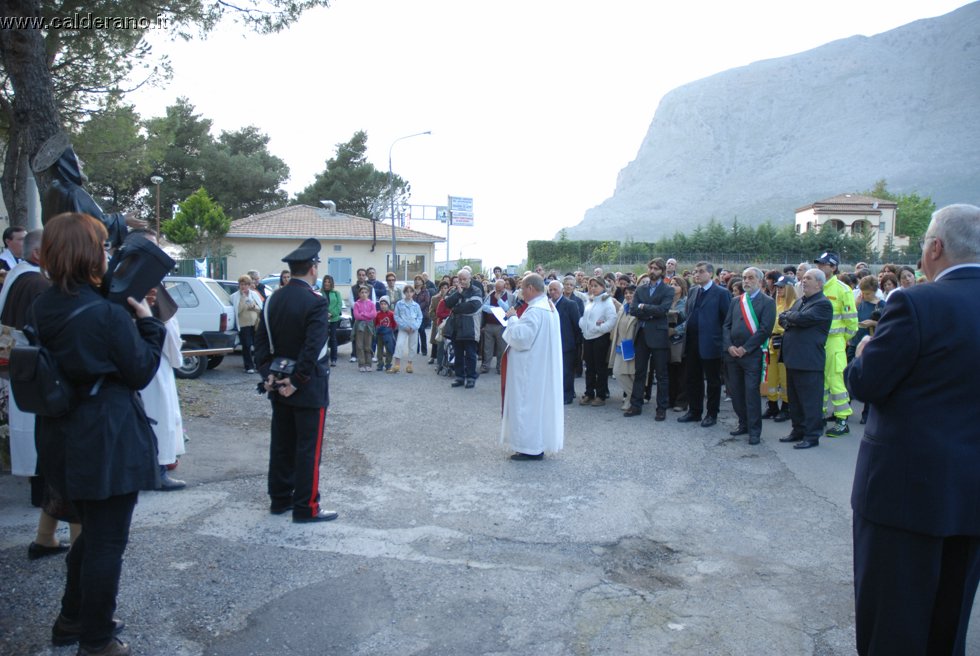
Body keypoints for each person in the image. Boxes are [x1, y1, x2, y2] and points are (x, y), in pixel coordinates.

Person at [848, 204, 980, 656]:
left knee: (894, 625)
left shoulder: (917, 302)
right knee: (949, 625)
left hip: (905, 496)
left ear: (936, 248)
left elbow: (867, 384)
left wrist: (864, 351)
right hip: (972, 498)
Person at [34, 212, 166, 656]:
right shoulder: (107, 313)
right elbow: (141, 370)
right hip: (105, 436)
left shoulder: (44, 303)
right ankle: (96, 639)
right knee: (106, 542)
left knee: (91, 535)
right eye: (103, 246)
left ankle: (72, 619)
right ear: (92, 252)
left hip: (60, 433)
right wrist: (148, 320)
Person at [0, 228, 80, 559]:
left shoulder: (21, 277)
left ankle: (45, 536)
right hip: (47, 383)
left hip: (27, 377)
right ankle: (79, 545)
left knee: (53, 465)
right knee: (66, 469)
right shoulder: (38, 284)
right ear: (39, 256)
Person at [253, 238, 338, 524]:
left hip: (277, 382)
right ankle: (306, 507)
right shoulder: (315, 302)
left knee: (282, 443)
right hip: (307, 386)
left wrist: (268, 375)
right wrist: (298, 380)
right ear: (313, 268)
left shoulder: (272, 299)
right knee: (307, 449)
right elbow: (313, 348)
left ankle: (279, 499)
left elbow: (261, 343)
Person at [500, 273, 563, 460]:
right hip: (541, 366)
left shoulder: (536, 311)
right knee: (538, 407)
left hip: (530, 370)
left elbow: (521, 338)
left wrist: (512, 318)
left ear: (530, 288)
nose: (520, 293)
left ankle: (529, 448)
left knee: (527, 405)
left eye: (522, 288)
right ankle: (537, 444)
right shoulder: (549, 307)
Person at [776, 269, 832, 449]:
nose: (804, 281)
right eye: (804, 278)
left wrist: (791, 318)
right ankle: (798, 430)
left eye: (809, 278)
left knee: (810, 401)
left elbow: (802, 318)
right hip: (793, 358)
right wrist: (792, 318)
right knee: (795, 399)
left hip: (809, 361)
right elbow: (782, 319)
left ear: (819, 284)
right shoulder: (800, 301)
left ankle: (811, 435)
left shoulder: (823, 304)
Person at [722, 267, 776, 445]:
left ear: (759, 281)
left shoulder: (767, 302)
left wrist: (745, 348)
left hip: (751, 355)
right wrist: (729, 346)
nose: (746, 281)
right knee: (736, 392)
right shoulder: (736, 300)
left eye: (750, 278)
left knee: (751, 394)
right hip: (733, 355)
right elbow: (726, 326)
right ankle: (743, 423)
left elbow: (765, 330)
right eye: (744, 278)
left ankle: (754, 431)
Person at [141, 284, 187, 491]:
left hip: (138, 368)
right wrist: (177, 361)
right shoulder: (159, 310)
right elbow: (171, 339)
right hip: (157, 368)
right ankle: (158, 471)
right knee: (160, 420)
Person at [678, 262, 731, 428]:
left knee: (713, 381)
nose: (697, 274)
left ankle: (711, 413)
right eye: (695, 272)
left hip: (711, 343)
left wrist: (723, 343)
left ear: (710, 274)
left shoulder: (721, 293)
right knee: (693, 378)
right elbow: (688, 314)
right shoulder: (693, 291)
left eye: (700, 272)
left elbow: (727, 321)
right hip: (692, 342)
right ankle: (694, 411)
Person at [812, 251, 858, 438]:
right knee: (820, 382)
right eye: (818, 264)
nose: (820, 267)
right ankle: (820, 415)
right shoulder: (816, 287)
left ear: (833, 267)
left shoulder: (842, 289)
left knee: (836, 381)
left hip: (834, 343)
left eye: (824, 265)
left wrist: (841, 340)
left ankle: (842, 420)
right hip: (818, 342)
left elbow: (852, 323)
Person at [624, 258, 673, 420]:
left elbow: (663, 310)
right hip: (642, 335)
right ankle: (636, 405)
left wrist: (644, 307)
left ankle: (661, 408)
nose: (653, 271)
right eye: (651, 268)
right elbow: (633, 310)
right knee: (640, 372)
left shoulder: (668, 290)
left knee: (661, 374)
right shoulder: (640, 289)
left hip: (658, 335)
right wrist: (649, 310)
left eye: (657, 269)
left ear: (662, 271)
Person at [578, 277, 617, 406]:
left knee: (600, 367)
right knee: (589, 367)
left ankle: (601, 395)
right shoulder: (590, 301)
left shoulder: (607, 301)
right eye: (591, 286)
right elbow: (585, 317)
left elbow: (612, 320)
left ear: (602, 287)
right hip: (588, 337)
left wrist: (599, 328)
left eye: (596, 286)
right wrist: (583, 325)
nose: (593, 288)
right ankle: (589, 392)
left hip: (600, 338)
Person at [764, 276, 797, 422]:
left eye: (782, 287)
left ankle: (786, 407)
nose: (779, 289)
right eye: (778, 287)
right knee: (771, 377)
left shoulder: (795, 303)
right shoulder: (774, 302)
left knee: (784, 378)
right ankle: (772, 405)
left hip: (786, 343)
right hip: (772, 342)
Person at [444, 268, 484, 389]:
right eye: (460, 279)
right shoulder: (455, 290)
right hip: (456, 327)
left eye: (464, 279)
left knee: (471, 355)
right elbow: (447, 304)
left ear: (469, 279)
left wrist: (456, 308)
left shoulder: (476, 290)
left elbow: (473, 307)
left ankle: (471, 378)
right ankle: (460, 377)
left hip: (470, 328)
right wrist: (458, 293)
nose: (461, 281)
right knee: (458, 354)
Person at [548, 280, 582, 404]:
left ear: (562, 290)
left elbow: (576, 324)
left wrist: (576, 343)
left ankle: (567, 395)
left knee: (567, 371)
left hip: (567, 344)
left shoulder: (570, 304)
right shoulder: (547, 304)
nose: (552, 292)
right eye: (550, 290)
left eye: (555, 289)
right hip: (551, 343)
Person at [609, 284, 639, 411]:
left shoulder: (639, 308)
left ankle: (631, 399)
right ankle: (634, 396)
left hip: (633, 345)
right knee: (617, 372)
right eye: (626, 293)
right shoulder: (623, 308)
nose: (628, 295)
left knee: (631, 374)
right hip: (620, 345)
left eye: (631, 293)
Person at [229, 274, 263, 373]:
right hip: (243, 324)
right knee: (247, 345)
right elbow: (237, 311)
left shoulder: (254, 294)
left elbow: (260, 308)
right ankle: (249, 366)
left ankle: (258, 364)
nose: (243, 286)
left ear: (249, 285)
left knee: (257, 345)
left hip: (255, 323)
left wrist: (254, 307)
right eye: (241, 284)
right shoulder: (235, 296)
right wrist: (243, 299)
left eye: (246, 284)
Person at [480, 279, 510, 374]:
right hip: (489, 325)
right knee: (487, 348)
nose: (497, 291)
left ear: (504, 287)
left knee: (502, 348)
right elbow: (484, 307)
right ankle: (485, 366)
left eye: (500, 289)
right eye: (496, 289)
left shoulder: (509, 296)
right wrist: (495, 309)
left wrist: (499, 300)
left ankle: (500, 367)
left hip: (502, 326)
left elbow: (508, 309)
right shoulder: (491, 294)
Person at [392, 285, 422, 374]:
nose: (409, 294)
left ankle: (409, 364)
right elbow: (396, 316)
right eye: (407, 292)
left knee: (412, 346)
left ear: (413, 293)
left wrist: (415, 326)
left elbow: (420, 317)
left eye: (411, 292)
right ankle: (397, 364)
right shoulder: (399, 304)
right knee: (399, 344)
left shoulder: (416, 305)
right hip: (403, 328)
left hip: (413, 328)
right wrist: (404, 326)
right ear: (404, 293)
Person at [352, 286, 377, 372]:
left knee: (368, 346)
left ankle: (368, 364)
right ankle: (361, 364)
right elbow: (356, 315)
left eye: (365, 292)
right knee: (359, 345)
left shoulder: (371, 304)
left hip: (369, 326)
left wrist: (363, 314)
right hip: (360, 327)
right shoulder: (357, 304)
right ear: (359, 294)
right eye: (362, 292)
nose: (363, 294)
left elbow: (373, 314)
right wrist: (366, 315)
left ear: (368, 293)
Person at [320, 274, 343, 366]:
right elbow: (318, 306)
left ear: (331, 283)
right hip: (323, 319)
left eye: (328, 281)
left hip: (334, 319)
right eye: (325, 281)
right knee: (322, 339)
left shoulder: (336, 293)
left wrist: (332, 314)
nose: (327, 283)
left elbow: (339, 305)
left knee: (333, 338)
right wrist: (325, 314)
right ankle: (322, 358)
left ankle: (334, 359)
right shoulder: (320, 293)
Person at [373, 297, 396, 371]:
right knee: (379, 349)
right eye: (381, 304)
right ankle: (380, 363)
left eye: (385, 304)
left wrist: (390, 330)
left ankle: (388, 363)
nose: (383, 306)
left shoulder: (391, 314)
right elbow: (375, 323)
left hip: (388, 334)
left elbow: (394, 324)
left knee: (389, 349)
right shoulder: (377, 314)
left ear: (388, 305)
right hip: (380, 334)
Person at [412, 276, 431, 356]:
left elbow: (427, 302)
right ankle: (416, 349)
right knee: (415, 332)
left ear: (422, 282)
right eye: (415, 280)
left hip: (423, 314)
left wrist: (417, 308)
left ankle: (424, 350)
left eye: (419, 280)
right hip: (413, 315)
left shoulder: (425, 291)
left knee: (422, 331)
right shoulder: (412, 291)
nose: (417, 281)